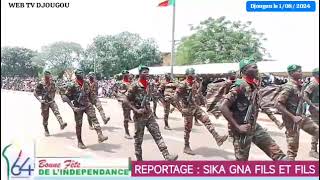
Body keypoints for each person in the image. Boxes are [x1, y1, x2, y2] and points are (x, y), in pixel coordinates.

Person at [220, 59, 287, 161]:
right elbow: (223, 106)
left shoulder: (253, 85)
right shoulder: (240, 85)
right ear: (245, 70)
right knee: (242, 162)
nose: (257, 70)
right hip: (242, 130)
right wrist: (238, 127)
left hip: (254, 126)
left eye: (257, 67)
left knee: (278, 155)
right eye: (254, 67)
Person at [123, 65, 178, 161]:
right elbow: (125, 100)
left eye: (148, 72)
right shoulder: (134, 85)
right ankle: (139, 160)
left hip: (149, 115)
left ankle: (167, 155)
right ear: (140, 74)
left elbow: (156, 95)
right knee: (138, 140)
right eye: (144, 72)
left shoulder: (150, 84)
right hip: (139, 117)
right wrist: (136, 110)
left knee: (157, 134)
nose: (147, 73)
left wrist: (164, 103)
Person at [174, 68, 228, 155]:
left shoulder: (195, 83)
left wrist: (204, 103)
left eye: (193, 74)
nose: (193, 75)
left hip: (195, 107)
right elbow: (175, 97)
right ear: (187, 75)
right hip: (187, 109)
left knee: (206, 119)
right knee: (188, 129)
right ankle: (186, 146)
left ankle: (217, 137)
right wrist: (180, 109)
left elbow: (198, 94)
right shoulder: (182, 84)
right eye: (191, 74)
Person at [275, 64, 319, 160]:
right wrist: (293, 117)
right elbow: (278, 104)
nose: (301, 72)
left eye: (301, 70)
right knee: (293, 149)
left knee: (317, 131)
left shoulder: (298, 85)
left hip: (301, 117)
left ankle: (313, 150)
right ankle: (289, 166)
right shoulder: (288, 87)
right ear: (291, 73)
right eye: (298, 71)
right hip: (292, 121)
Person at [60, 69, 108, 149]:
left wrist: (93, 103)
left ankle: (100, 135)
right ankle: (79, 141)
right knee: (79, 125)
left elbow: (90, 94)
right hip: (78, 107)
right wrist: (72, 107)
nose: (82, 75)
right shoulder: (72, 85)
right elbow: (65, 96)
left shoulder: (86, 83)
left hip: (87, 104)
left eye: (82, 73)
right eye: (79, 74)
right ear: (76, 75)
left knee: (94, 118)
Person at [34, 71, 67, 136]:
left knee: (56, 111)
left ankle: (61, 123)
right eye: (47, 75)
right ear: (44, 76)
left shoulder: (52, 83)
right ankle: (46, 130)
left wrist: (61, 96)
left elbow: (56, 90)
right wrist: (40, 100)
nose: (48, 76)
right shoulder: (41, 84)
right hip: (45, 103)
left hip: (52, 101)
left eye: (49, 75)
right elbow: (35, 93)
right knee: (45, 117)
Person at [303, 68, 319, 159]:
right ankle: (313, 150)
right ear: (316, 75)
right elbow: (305, 96)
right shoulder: (313, 84)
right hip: (316, 110)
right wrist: (313, 106)